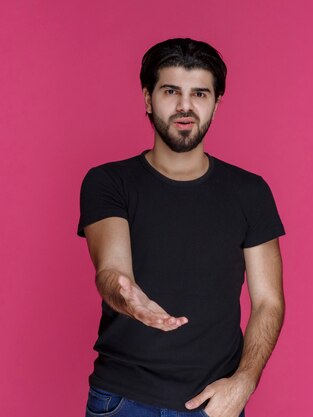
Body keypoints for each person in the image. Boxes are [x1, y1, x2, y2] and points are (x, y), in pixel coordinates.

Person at [77, 38, 285, 417]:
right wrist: (129, 299)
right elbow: (112, 269)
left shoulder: (249, 192)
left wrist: (245, 381)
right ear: (147, 98)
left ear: (216, 103)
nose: (185, 106)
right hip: (123, 400)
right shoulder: (109, 182)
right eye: (171, 91)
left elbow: (268, 301)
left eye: (200, 93)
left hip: (213, 404)